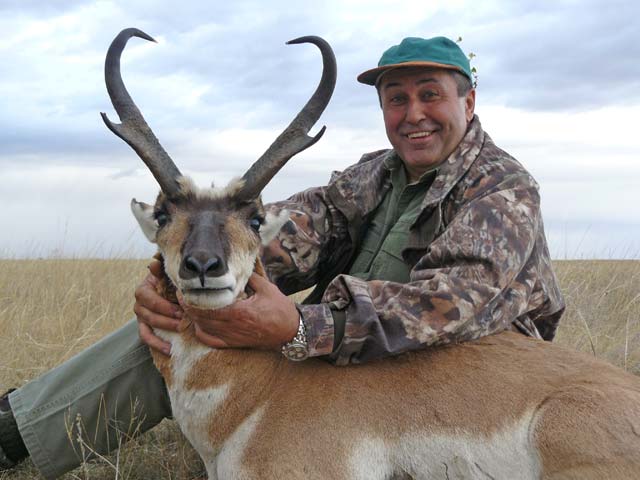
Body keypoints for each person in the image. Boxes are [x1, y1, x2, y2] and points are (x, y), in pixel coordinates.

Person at [0, 36, 564, 478]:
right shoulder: (378, 173)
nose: (413, 112)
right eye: (398, 98)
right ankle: (15, 432)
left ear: (467, 100)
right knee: (191, 315)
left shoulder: (502, 188)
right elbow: (293, 232)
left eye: (430, 94)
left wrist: (300, 326)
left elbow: (446, 306)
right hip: (353, 357)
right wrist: (181, 270)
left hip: (464, 373)